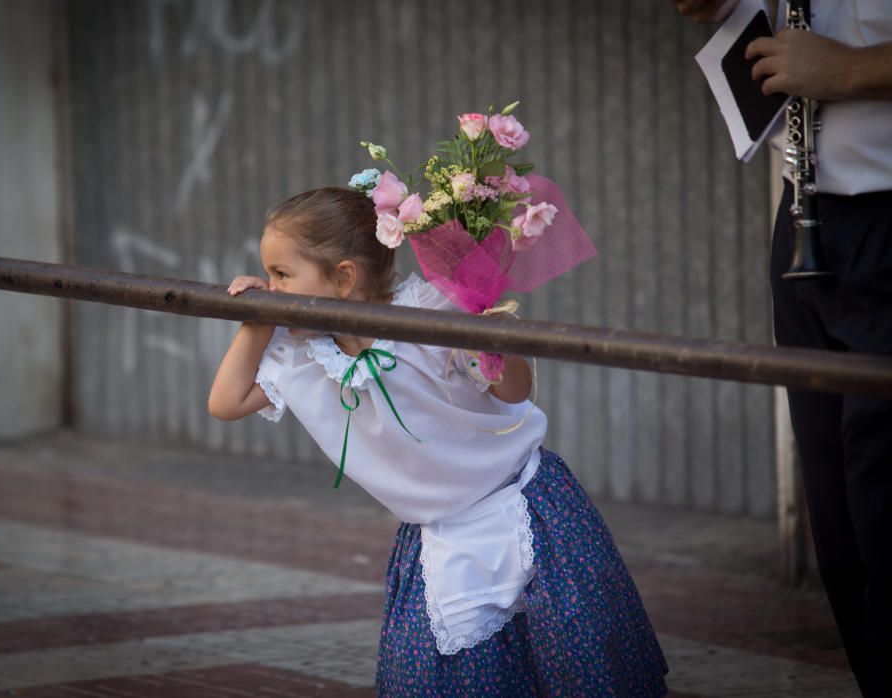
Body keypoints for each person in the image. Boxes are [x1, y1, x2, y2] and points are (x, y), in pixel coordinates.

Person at [208, 187, 668, 695]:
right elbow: (225, 403)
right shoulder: (300, 351)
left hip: (529, 514)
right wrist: (256, 319)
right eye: (268, 273)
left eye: (281, 274)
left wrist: (487, 334)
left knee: (574, 673)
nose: (270, 286)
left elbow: (515, 393)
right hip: (437, 539)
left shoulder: (430, 310)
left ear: (343, 278)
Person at [674, 1, 892, 695]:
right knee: (837, 523)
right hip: (806, 218)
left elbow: (840, 59)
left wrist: (853, 70)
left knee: (883, 507)